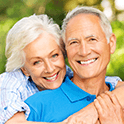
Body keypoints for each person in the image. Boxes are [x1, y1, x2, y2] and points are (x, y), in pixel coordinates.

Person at [0, 11, 123, 124]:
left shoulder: (117, 92)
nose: (50, 69)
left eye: (92, 39)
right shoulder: (32, 104)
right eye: (74, 42)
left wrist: (94, 109)